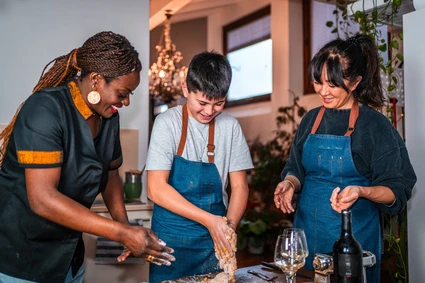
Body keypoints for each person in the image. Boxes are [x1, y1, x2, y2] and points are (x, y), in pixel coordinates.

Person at [0, 31, 175, 283]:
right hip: (22, 258)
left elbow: (111, 175)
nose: (124, 102)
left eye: (129, 95)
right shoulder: (45, 110)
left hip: (69, 258)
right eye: (122, 92)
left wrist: (126, 225)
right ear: (95, 79)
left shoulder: (108, 117)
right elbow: (42, 198)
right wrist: (121, 234)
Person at [273, 34, 416, 283]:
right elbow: (295, 166)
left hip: (355, 242)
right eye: (318, 82)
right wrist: (290, 183)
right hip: (307, 238)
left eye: (333, 84)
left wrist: (361, 191)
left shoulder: (374, 126)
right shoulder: (311, 119)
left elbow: (398, 188)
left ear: (355, 82)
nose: (323, 91)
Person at [146, 51, 253, 282]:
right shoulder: (167, 123)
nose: (209, 111)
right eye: (202, 102)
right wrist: (210, 221)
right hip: (170, 243)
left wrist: (228, 230)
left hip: (212, 244)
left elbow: (240, 186)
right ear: (185, 89)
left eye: (218, 104)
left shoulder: (230, 127)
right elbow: (155, 188)